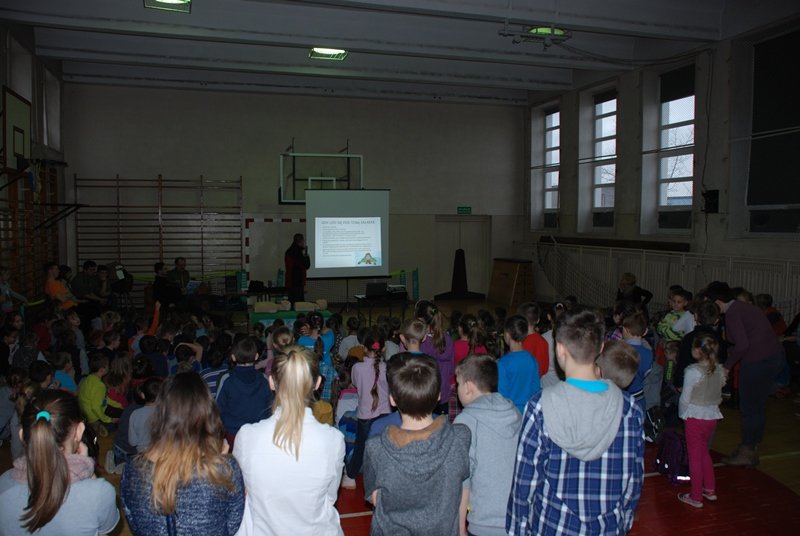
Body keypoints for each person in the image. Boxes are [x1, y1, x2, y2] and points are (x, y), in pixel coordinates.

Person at [507, 308, 644, 535]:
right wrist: (624, 521)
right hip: (607, 527)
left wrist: (518, 529)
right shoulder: (629, 409)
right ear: (601, 348)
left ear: (560, 349)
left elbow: (524, 482)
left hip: (553, 526)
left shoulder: (540, 406)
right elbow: (634, 480)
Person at [233, 345, 345, 535]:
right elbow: (329, 497)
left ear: (271, 382)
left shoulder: (247, 436)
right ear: (318, 383)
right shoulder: (334, 440)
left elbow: (242, 492)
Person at [121, 373, 245, 535]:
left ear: (161, 413)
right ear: (208, 413)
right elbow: (233, 525)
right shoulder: (225, 469)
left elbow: (135, 525)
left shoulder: (132, 470)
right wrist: (221, 462)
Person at [363, 352, 470, 536]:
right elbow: (462, 486)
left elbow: (375, 498)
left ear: (392, 399)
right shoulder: (460, 437)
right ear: (438, 396)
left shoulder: (376, 448)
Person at [0, 390, 119, 535]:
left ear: (22, 436)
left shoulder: (3, 483)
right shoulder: (100, 492)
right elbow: (105, 530)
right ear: (79, 431)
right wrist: (88, 472)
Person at [706, 281, 784, 467]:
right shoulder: (743, 307)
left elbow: (741, 344)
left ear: (717, 302)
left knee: (749, 408)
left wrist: (727, 366)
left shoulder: (733, 313)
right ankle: (751, 447)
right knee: (757, 407)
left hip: (757, 361)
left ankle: (747, 450)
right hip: (772, 357)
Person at [454, 353, 521, 536]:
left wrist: (460, 528)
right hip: (517, 518)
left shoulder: (466, 421)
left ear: (468, 387)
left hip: (484, 523)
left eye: (458, 383)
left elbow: (462, 481)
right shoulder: (515, 413)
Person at [678, 333, 726, 508]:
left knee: (694, 457)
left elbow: (685, 398)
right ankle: (710, 489)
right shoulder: (719, 370)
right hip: (711, 416)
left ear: (697, 351)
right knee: (704, 452)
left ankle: (696, 496)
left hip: (695, 416)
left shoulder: (693, 372)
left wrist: (682, 414)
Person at [341, 329, 391, 490]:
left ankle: (350, 477)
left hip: (365, 415)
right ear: (384, 348)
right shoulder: (387, 368)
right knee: (384, 448)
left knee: (361, 446)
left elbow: (355, 383)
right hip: (385, 414)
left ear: (364, 348)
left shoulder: (357, 368)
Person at [216, 336, 273, 447]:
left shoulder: (227, 379)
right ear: (256, 356)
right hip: (259, 433)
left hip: (233, 434)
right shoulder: (263, 379)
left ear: (233, 357)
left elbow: (218, 408)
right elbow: (270, 405)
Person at [416, 300, 455, 415]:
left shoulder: (419, 342)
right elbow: (451, 369)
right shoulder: (447, 339)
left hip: (423, 394)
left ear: (419, 320)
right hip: (443, 394)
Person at [497, 315, 540, 414]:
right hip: (528, 412)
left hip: (510, 413)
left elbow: (502, 396)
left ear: (507, 335)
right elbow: (536, 390)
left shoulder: (503, 363)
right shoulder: (532, 360)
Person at [77, 353, 113, 437]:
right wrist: (108, 419)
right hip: (93, 417)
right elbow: (95, 407)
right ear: (102, 369)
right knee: (114, 425)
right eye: (108, 365)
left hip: (84, 413)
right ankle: (97, 426)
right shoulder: (99, 385)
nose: (109, 367)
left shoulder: (88, 378)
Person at [518, 302, 549, 377]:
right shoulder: (543, 341)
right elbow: (544, 369)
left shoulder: (519, 342)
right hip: (536, 381)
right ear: (538, 320)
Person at [284, 233, 310, 304]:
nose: (304, 242)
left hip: (290, 282)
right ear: (301, 241)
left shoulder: (288, 251)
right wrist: (306, 256)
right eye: (303, 241)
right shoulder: (299, 253)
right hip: (298, 282)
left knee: (292, 303)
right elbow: (307, 265)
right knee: (299, 305)